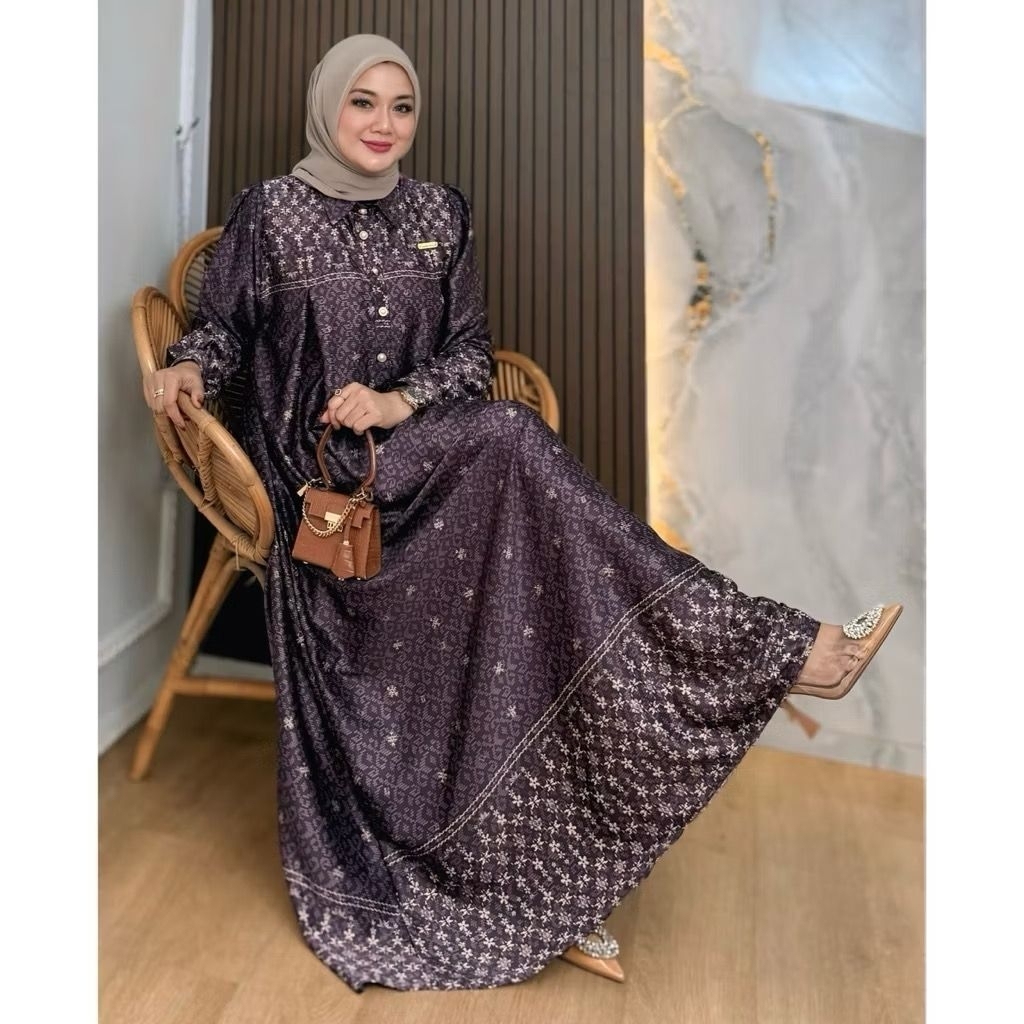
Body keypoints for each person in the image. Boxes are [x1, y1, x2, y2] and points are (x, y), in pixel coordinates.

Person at [144, 34, 902, 993]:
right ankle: (780, 649)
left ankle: (550, 879)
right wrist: (187, 367)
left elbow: (470, 352)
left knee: (530, 569)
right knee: (509, 440)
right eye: (363, 102)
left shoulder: (440, 212)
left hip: (426, 453)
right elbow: (221, 326)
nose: (384, 124)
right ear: (327, 105)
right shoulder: (272, 212)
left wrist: (396, 402)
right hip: (323, 484)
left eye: (402, 107)